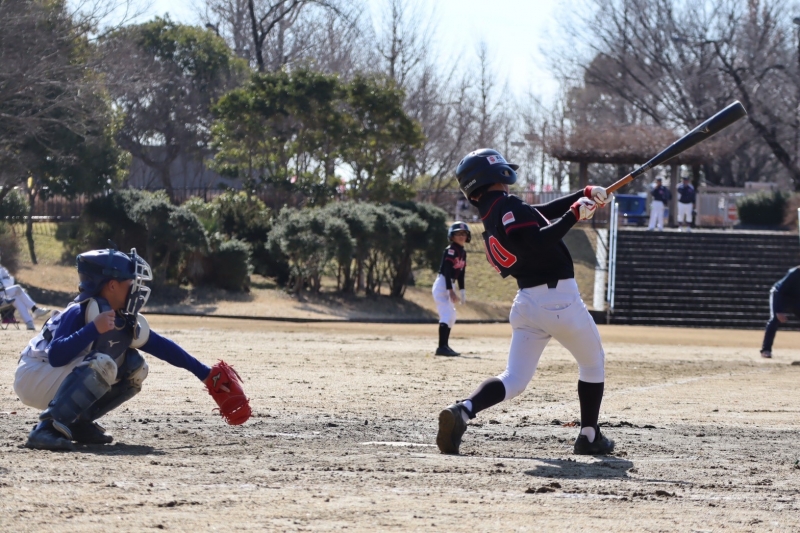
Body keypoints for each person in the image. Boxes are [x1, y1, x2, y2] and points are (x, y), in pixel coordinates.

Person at [435, 148, 614, 456]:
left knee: (514, 378)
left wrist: (583, 194)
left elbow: (540, 212)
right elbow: (538, 241)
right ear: (497, 173)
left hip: (527, 304)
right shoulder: (509, 205)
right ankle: (588, 435)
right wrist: (574, 215)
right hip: (559, 300)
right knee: (592, 363)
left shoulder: (493, 213)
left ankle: (464, 410)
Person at [13, 246, 251, 451]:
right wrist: (92, 329)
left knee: (135, 367)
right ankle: (45, 429)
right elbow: (56, 356)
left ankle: (78, 423)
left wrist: (205, 374)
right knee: (103, 364)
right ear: (112, 285)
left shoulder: (119, 315)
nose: (136, 286)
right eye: (131, 281)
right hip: (34, 374)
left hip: (55, 377)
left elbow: (161, 346)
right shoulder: (80, 311)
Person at [433, 222, 469, 356]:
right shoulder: (451, 250)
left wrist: (462, 290)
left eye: (464, 233)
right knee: (446, 314)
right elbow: (447, 271)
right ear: (452, 236)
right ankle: (441, 347)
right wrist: (450, 290)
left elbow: (461, 273)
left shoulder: (462, 252)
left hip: (449, 284)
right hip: (443, 283)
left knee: (452, 316)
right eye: (458, 233)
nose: (461, 236)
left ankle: (445, 346)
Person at [0, 250, 50, 330]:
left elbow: (10, 281)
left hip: (3, 294)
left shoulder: (1, 269)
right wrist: (2, 283)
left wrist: (2, 283)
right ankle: (34, 309)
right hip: (1, 296)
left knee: (16, 298)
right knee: (17, 288)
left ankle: (29, 323)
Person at [760, 266, 800, 359]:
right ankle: (766, 350)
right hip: (779, 295)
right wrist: (778, 311)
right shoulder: (794, 273)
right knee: (774, 319)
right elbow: (780, 291)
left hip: (795, 298)